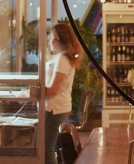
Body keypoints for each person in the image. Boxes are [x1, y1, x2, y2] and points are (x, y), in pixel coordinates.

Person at [45, 23, 83, 164]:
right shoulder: (60, 57)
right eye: (51, 37)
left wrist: (33, 91)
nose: (51, 41)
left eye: (55, 38)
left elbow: (53, 89)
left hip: (55, 108)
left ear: (64, 41)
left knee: (47, 148)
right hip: (56, 107)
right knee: (50, 147)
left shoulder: (63, 59)